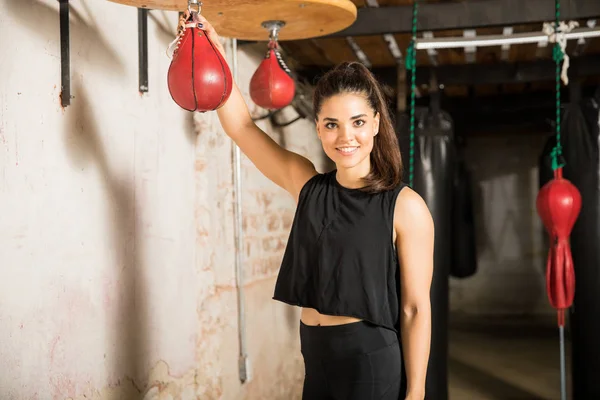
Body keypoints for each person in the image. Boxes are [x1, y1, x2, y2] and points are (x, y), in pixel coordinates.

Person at [197, 14, 434, 400]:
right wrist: (214, 51)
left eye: (357, 122)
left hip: (370, 360)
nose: (346, 137)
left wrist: (418, 393)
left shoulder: (405, 206)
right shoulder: (307, 184)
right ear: (319, 127)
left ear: (375, 122)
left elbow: (414, 309)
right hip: (316, 355)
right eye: (331, 124)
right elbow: (241, 127)